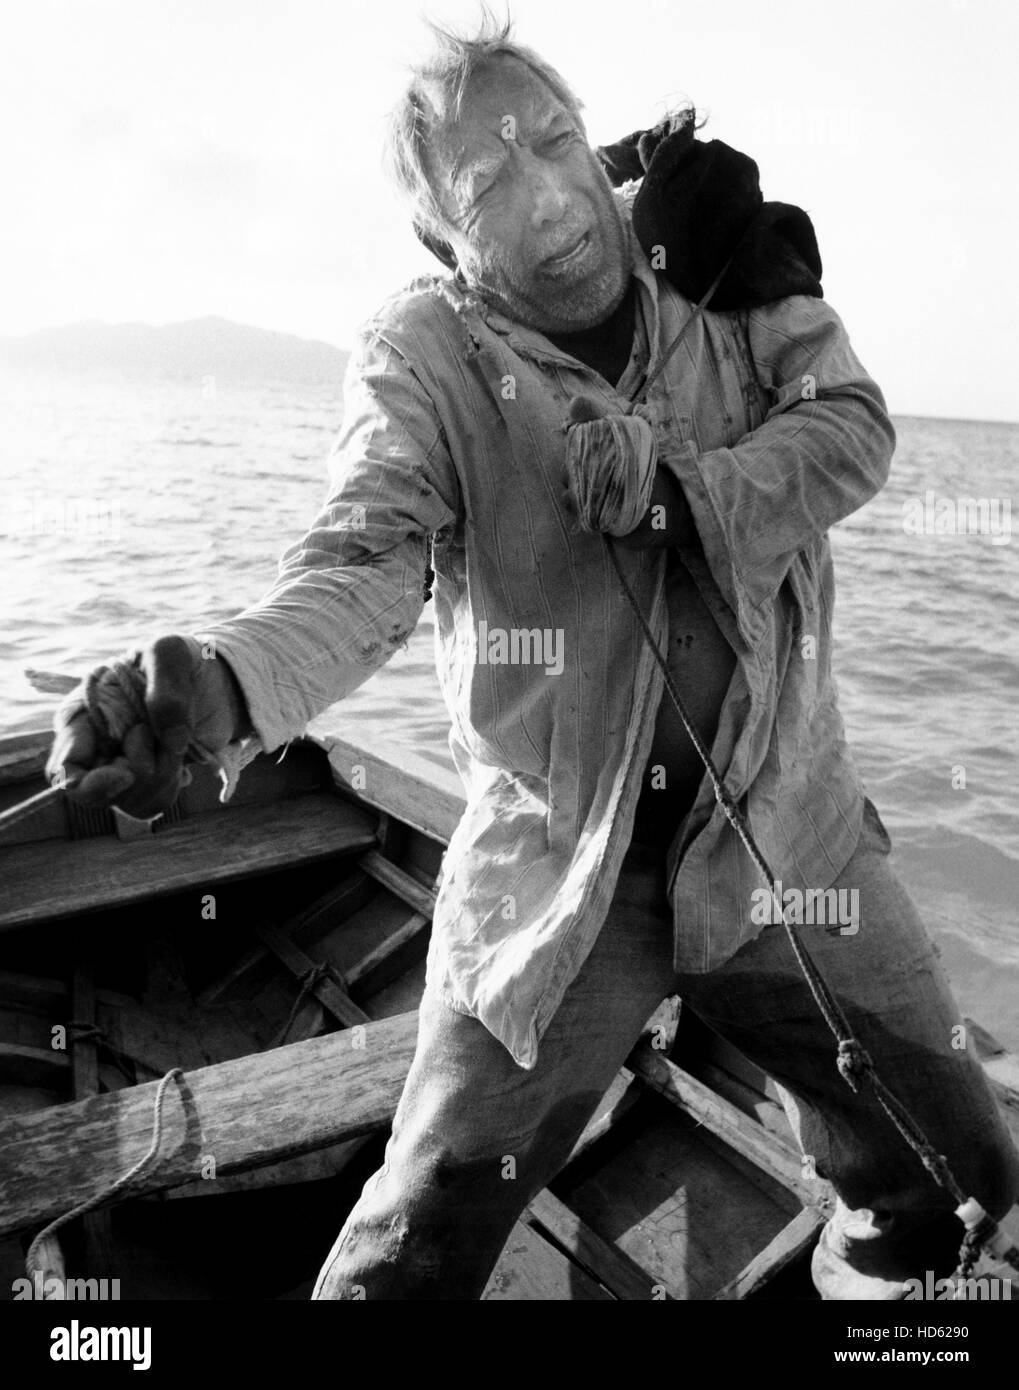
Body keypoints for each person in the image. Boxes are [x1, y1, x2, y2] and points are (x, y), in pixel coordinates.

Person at [48, 14, 1018, 1300]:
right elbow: (364, 563)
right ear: (441, 240)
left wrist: (679, 489)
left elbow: (851, 431)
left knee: (959, 1183)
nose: (549, 195)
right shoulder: (421, 354)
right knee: (418, 1233)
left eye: (555, 143)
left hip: (792, 836)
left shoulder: (714, 242)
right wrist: (224, 682)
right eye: (487, 184)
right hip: (563, 872)